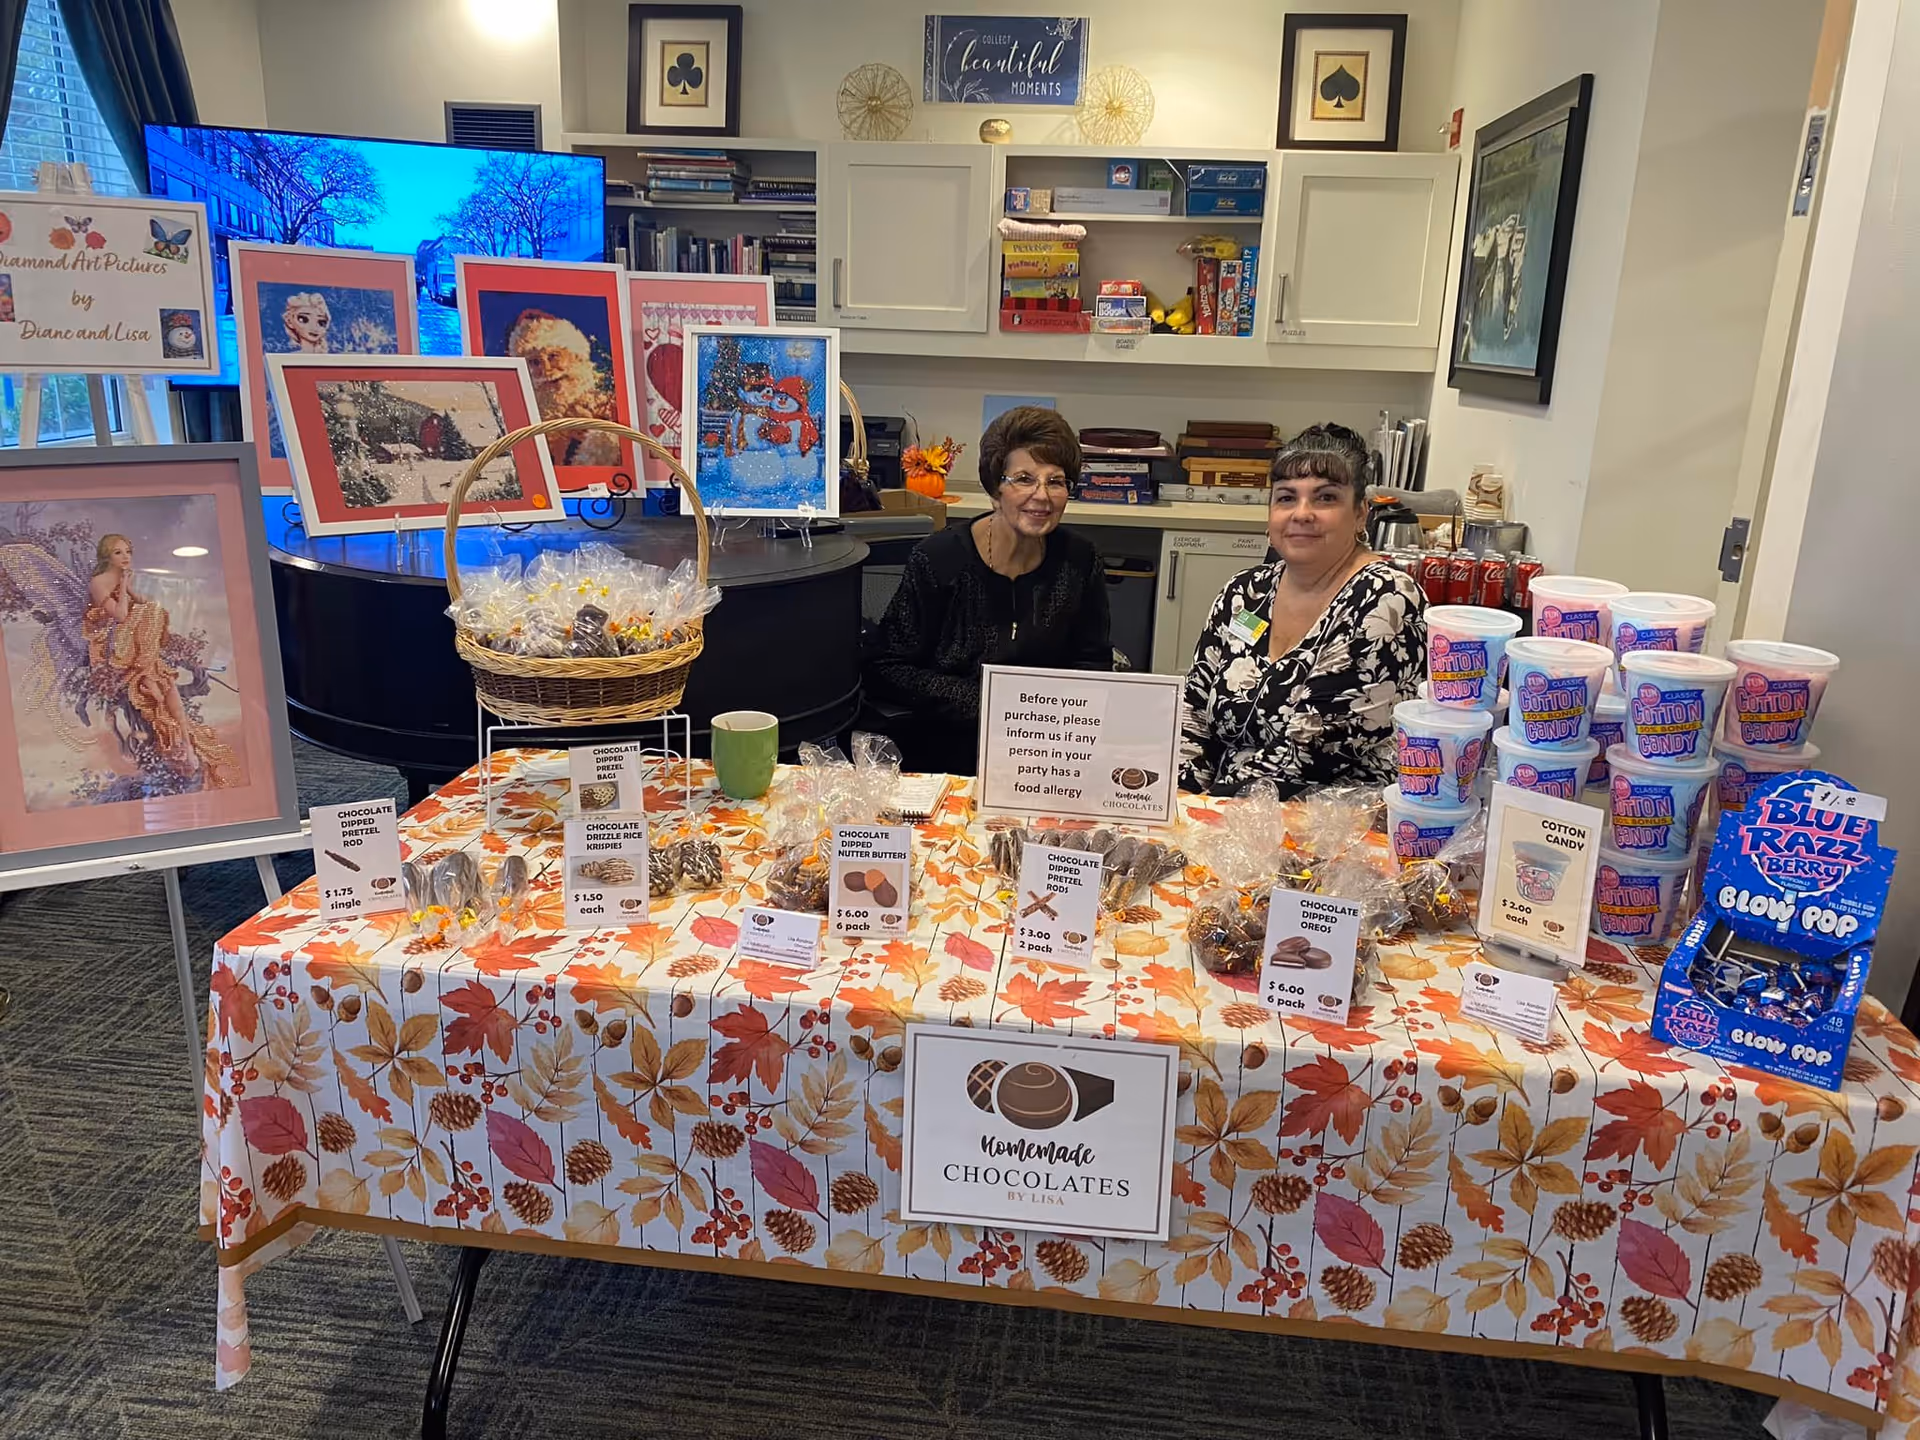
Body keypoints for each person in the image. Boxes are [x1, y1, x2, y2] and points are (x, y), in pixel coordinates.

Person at [1179, 423, 1425, 796]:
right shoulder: (1244, 592)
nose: (1302, 513)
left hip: (1327, 826)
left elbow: (1312, 753)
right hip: (1222, 817)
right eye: (1286, 498)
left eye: (1325, 498)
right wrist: (1178, 797)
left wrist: (1210, 808)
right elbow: (1192, 712)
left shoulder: (1386, 600)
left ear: (1361, 514)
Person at [867, 406, 1112, 774]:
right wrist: (989, 700)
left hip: (1045, 758)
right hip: (945, 757)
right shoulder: (939, 560)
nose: (1042, 495)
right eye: (1024, 479)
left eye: (1056, 481)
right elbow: (886, 668)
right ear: (995, 488)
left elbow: (1093, 665)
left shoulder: (1079, 561)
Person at [84, 533, 238, 786]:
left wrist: (129, 586)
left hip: (135, 646)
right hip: (110, 645)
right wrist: (123, 586)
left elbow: (142, 602)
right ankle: (148, 673)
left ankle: (185, 747)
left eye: (127, 551)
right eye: (118, 553)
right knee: (148, 618)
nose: (125, 557)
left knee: (152, 612)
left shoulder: (123, 577)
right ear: (106, 556)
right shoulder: (99, 582)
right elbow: (121, 615)